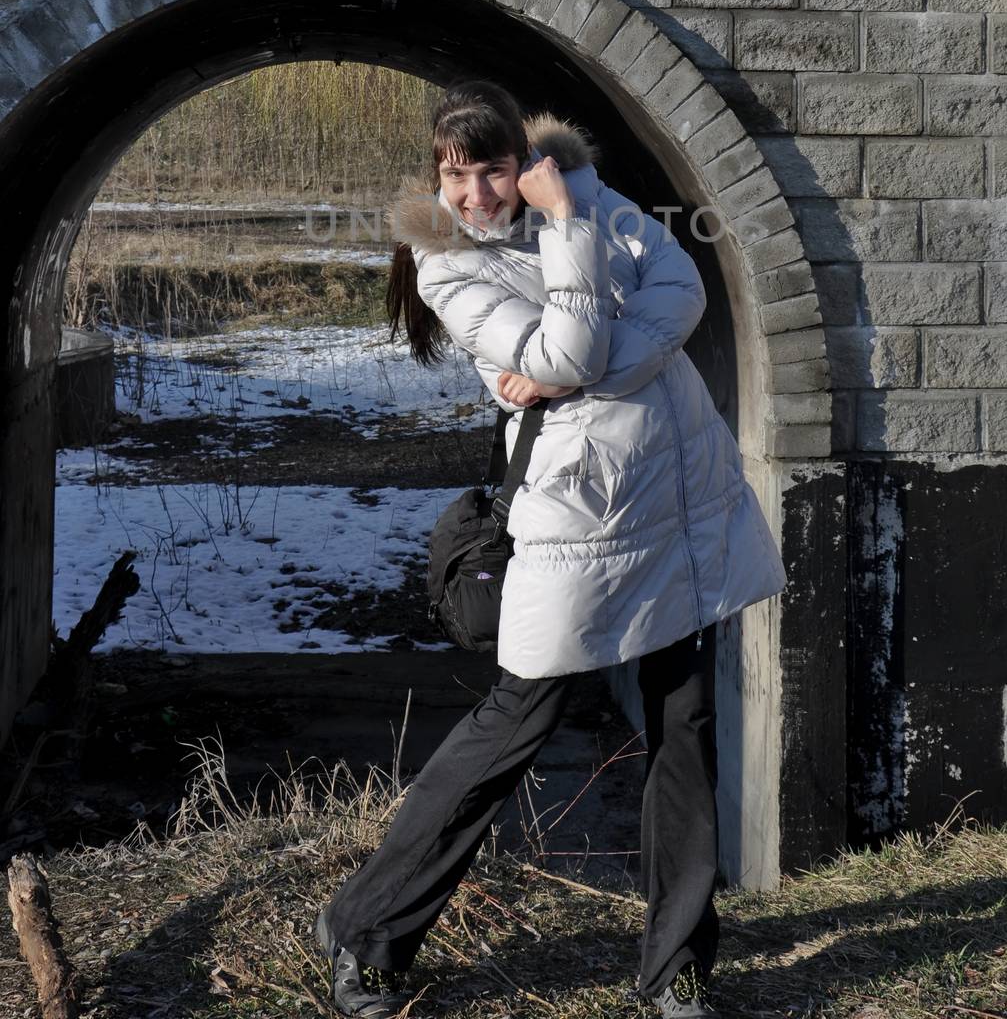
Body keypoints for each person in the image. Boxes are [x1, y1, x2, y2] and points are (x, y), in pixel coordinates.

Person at [314, 79, 787, 1018]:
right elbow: (560, 358)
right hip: (580, 522)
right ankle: (366, 931)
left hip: (680, 503)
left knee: (683, 731)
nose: (476, 195)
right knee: (512, 726)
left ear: (522, 161)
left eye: (491, 169)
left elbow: (681, 290)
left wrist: (589, 339)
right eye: (456, 174)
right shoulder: (446, 259)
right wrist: (568, 235)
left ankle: (677, 970)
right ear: (437, 177)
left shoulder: (587, 191)